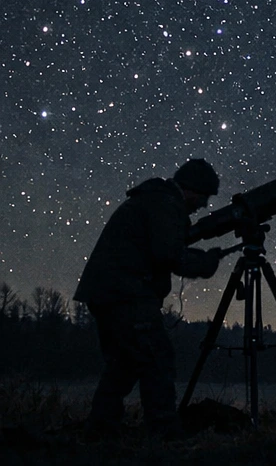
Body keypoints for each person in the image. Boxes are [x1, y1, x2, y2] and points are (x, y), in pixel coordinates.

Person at [73, 158, 227, 440]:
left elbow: (164, 247)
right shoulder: (164, 204)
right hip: (126, 295)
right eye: (203, 197)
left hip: (109, 293)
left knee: (124, 364)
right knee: (157, 360)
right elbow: (168, 254)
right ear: (191, 188)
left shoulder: (155, 201)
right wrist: (204, 264)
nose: (203, 205)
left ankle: (99, 431)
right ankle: (165, 435)